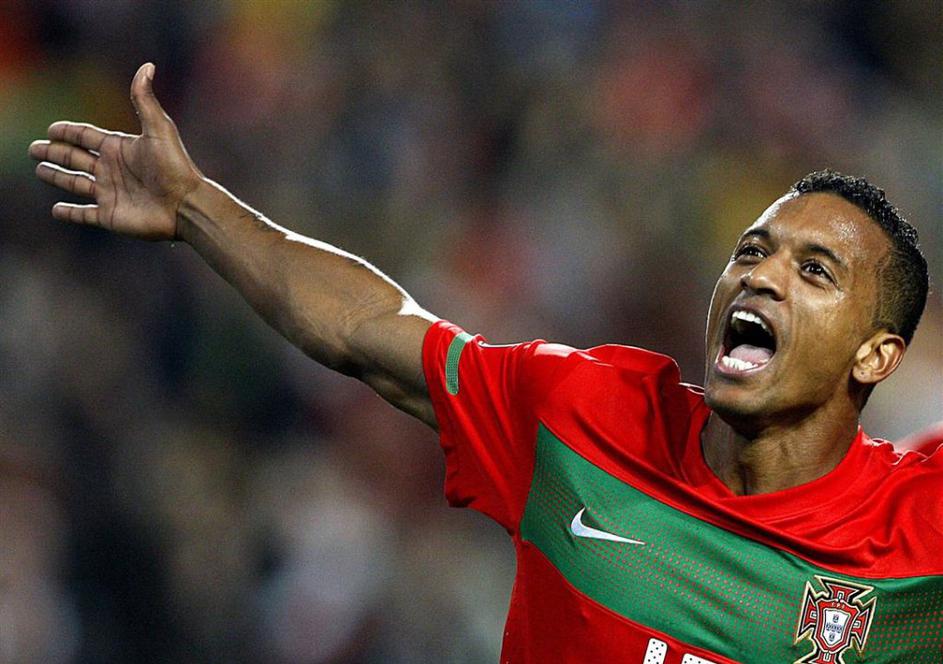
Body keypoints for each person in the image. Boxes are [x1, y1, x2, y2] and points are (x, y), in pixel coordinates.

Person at [29, 63, 942, 663]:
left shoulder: (920, 528)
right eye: (750, 251)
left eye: (813, 272)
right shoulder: (586, 417)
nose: (760, 277)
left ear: (876, 354)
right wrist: (194, 208)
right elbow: (369, 329)